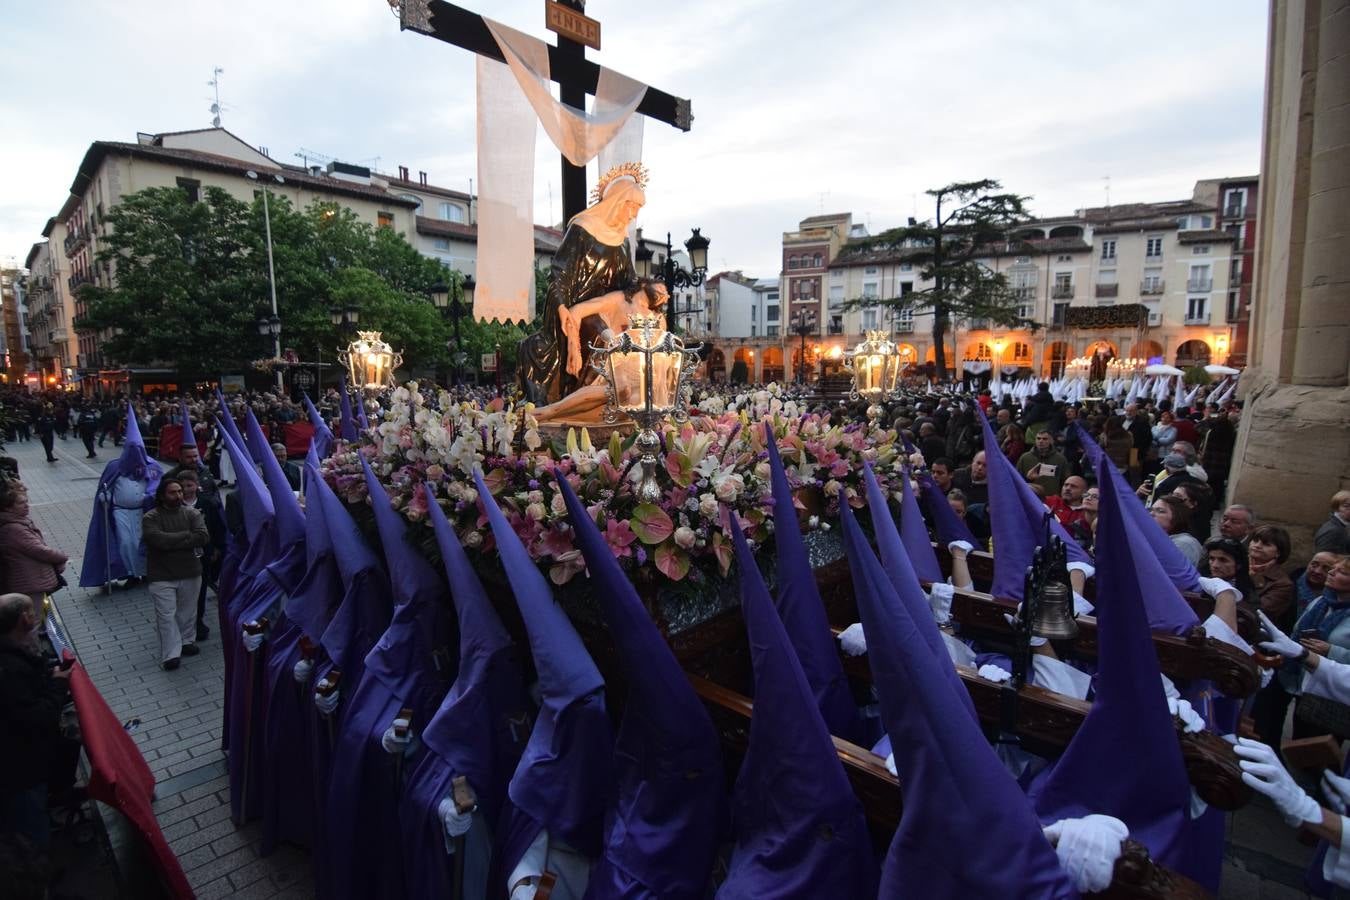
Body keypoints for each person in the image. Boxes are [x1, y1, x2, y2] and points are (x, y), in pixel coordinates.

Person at [518, 164, 646, 404]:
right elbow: (560, 274)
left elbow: (629, 281)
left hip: (609, 308)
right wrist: (563, 308)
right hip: (579, 307)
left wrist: (643, 291)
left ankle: (622, 400)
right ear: (617, 202)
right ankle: (587, 401)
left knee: (640, 338)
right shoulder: (583, 229)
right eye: (632, 207)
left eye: (638, 209)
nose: (634, 215)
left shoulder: (622, 241)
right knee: (603, 337)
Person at [0, 592, 75, 850]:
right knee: (30, 838)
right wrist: (58, 685)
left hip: (20, 765)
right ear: (24, 619)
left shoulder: (16, 655)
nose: (37, 615)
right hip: (20, 770)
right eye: (34, 611)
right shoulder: (11, 669)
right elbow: (37, 716)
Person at [142, 478, 209, 670]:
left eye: (180, 491)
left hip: (190, 571)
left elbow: (202, 537)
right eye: (173, 492)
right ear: (162, 495)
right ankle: (170, 654)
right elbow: (157, 540)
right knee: (166, 615)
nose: (179, 495)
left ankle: (187, 641)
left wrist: (171, 541)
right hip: (161, 575)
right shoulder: (151, 517)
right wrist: (186, 535)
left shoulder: (192, 513)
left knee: (188, 612)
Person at [0, 482, 68, 612]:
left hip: (29, 580)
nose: (27, 506)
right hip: (28, 582)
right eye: (21, 503)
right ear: (8, 508)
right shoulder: (14, 529)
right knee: (33, 620)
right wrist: (61, 557)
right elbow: (38, 550)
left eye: (26, 502)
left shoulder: (17, 523)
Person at [177, 470, 224, 642]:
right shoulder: (174, 504)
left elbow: (216, 527)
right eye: (183, 486)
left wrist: (217, 548)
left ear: (197, 485)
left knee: (201, 588)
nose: (186, 489)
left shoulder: (207, 503)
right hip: (181, 554)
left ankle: (198, 621)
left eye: (190, 485)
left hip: (203, 553)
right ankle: (183, 623)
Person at [1248, 524, 1295, 633]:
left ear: (1278, 553)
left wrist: (1252, 577)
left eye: (1266, 544)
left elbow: (1259, 612)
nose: (1257, 545)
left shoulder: (1283, 584)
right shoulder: (1235, 563)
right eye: (1255, 540)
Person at [1149, 495, 1204, 567]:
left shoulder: (1184, 543)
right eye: (1151, 510)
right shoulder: (1158, 538)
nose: (1151, 514)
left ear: (1177, 516)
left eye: (1160, 511)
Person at [1017, 429, 1069, 497]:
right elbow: (1017, 478)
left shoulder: (1060, 459)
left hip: (1053, 498)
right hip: (1031, 497)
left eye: (1045, 439)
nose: (1041, 441)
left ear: (1051, 441)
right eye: (1038, 438)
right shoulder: (1025, 458)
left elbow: (1065, 480)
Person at [1297, 552, 1341, 617]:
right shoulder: (1290, 587)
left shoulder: (1338, 597)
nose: (1317, 571)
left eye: (1326, 568)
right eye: (1314, 565)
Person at [1314, 490, 1350, 555]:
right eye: (1346, 506)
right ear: (1336, 508)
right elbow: (1324, 560)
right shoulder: (1333, 531)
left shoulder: (1342, 526)